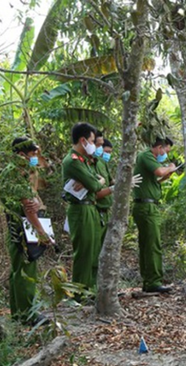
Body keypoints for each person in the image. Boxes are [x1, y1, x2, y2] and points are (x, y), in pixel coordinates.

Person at [0, 137, 54, 325]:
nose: (35, 158)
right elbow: (28, 208)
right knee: (26, 270)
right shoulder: (15, 174)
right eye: (32, 154)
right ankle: (28, 315)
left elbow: (33, 199)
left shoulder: (18, 172)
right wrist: (41, 233)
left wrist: (36, 202)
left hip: (17, 225)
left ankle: (18, 313)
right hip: (22, 227)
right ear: (21, 154)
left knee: (18, 270)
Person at [62, 122, 114, 297]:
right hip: (80, 209)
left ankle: (91, 289)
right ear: (83, 140)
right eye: (92, 141)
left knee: (93, 252)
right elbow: (95, 185)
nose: (94, 145)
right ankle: (80, 293)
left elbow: (94, 182)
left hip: (91, 207)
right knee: (84, 253)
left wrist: (95, 181)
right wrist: (97, 181)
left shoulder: (85, 161)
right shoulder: (73, 161)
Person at [132, 136, 177, 293]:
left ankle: (149, 280)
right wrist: (170, 167)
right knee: (152, 244)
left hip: (149, 205)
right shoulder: (146, 155)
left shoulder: (148, 159)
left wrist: (166, 176)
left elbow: (154, 180)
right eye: (166, 151)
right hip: (146, 207)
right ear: (159, 147)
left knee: (148, 244)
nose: (165, 155)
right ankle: (153, 282)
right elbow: (159, 171)